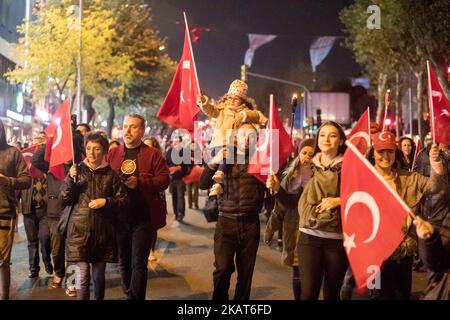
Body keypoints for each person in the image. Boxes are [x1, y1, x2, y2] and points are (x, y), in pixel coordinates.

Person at [367, 131, 444, 300]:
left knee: (403, 295)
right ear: (373, 153)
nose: (386, 156)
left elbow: (436, 188)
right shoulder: (364, 178)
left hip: (404, 252)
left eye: (390, 151)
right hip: (376, 256)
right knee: (378, 296)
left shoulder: (410, 179)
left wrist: (435, 162)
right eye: (381, 151)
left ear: (396, 153)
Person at [106, 114, 170, 300]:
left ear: (142, 130)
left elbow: (164, 179)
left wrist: (140, 183)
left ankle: (136, 297)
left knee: (138, 263)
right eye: (125, 126)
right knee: (123, 261)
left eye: (133, 127)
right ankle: (129, 293)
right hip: (119, 218)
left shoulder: (153, 155)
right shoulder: (113, 153)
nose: (127, 130)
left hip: (144, 217)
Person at [199, 123, 265, 300]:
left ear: (256, 138)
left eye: (251, 135)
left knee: (246, 273)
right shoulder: (225, 156)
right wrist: (214, 161)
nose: (246, 139)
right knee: (222, 269)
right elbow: (203, 183)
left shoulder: (262, 159)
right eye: (242, 134)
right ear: (236, 137)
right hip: (226, 221)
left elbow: (274, 190)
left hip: (250, 222)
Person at [61, 132, 127, 300]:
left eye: (96, 149)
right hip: (78, 231)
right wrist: (70, 177)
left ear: (104, 151)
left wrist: (106, 202)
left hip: (102, 233)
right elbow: (65, 198)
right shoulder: (77, 171)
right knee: (82, 277)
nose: (91, 152)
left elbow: (123, 202)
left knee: (98, 277)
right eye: (89, 148)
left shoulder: (112, 175)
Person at [294, 121, 348, 300]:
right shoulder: (306, 165)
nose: (326, 139)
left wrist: (339, 200)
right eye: (323, 135)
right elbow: (290, 197)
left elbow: (362, 196)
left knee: (332, 294)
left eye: (332, 135)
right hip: (309, 236)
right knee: (308, 293)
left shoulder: (350, 166)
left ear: (340, 141)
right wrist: (277, 186)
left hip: (337, 238)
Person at [265, 138, 315, 300]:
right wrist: (270, 229)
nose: (307, 156)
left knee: (313, 275)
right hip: (295, 231)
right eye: (304, 153)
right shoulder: (290, 176)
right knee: (298, 273)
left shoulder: (320, 177)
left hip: (314, 230)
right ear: (298, 154)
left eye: (311, 154)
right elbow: (281, 207)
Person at [199, 80, 267, 196]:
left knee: (229, 153)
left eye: (236, 99)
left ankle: (218, 183)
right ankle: (218, 180)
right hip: (218, 144)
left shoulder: (245, 112)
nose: (232, 100)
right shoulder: (222, 110)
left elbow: (258, 116)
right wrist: (203, 102)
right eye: (230, 97)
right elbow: (210, 110)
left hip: (232, 145)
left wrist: (244, 115)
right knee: (224, 158)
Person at [0, 119, 32, 300]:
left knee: (2, 261)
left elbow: (27, 180)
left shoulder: (13, 152)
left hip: (4, 211)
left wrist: (7, 181)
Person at [20, 134, 53, 278]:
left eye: (41, 143)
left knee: (45, 237)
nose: (37, 146)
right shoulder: (25, 166)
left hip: (45, 210)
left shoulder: (48, 164)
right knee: (32, 241)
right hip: (29, 208)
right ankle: (34, 269)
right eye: (35, 143)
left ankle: (47, 260)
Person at [165, 137, 190, 222]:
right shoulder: (169, 151)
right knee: (174, 196)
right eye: (174, 142)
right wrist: (170, 169)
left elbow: (188, 165)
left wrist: (181, 169)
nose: (175, 143)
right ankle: (176, 213)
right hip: (172, 178)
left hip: (181, 178)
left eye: (177, 142)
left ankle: (180, 213)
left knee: (180, 196)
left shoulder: (184, 152)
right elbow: (166, 163)